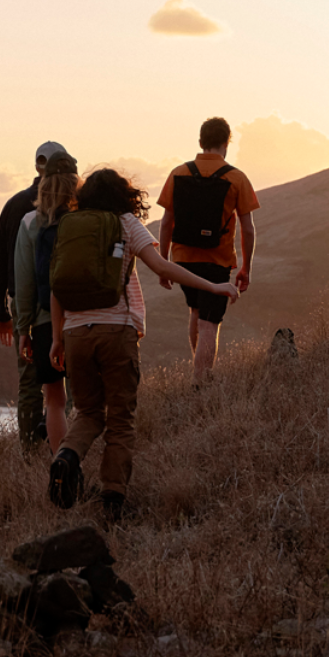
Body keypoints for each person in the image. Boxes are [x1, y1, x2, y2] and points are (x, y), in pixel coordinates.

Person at [48, 169, 239, 521]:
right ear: (124, 194)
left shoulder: (70, 226)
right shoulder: (126, 223)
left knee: (88, 412)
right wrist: (213, 287)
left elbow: (56, 285)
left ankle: (66, 456)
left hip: (76, 334)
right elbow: (161, 266)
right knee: (120, 419)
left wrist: (58, 338)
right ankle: (112, 500)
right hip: (116, 332)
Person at [157, 118, 259, 384]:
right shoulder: (236, 178)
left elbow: (167, 222)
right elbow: (247, 228)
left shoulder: (178, 173)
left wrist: (163, 263)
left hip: (183, 260)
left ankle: (198, 374)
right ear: (226, 143)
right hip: (217, 260)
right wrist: (246, 267)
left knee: (195, 311)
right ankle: (201, 384)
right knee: (208, 324)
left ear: (201, 142)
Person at [0, 141, 68, 446]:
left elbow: (0, 262)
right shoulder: (77, 206)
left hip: (27, 307)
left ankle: (29, 450)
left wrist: (2, 313)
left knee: (29, 382)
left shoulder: (15, 205)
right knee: (72, 381)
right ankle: (70, 448)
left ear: (37, 166)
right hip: (69, 305)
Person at [13, 151, 79, 453]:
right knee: (88, 399)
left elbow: (24, 283)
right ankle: (82, 459)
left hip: (42, 322)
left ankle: (60, 467)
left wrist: (23, 330)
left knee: (54, 399)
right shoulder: (86, 220)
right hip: (85, 319)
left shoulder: (29, 223)